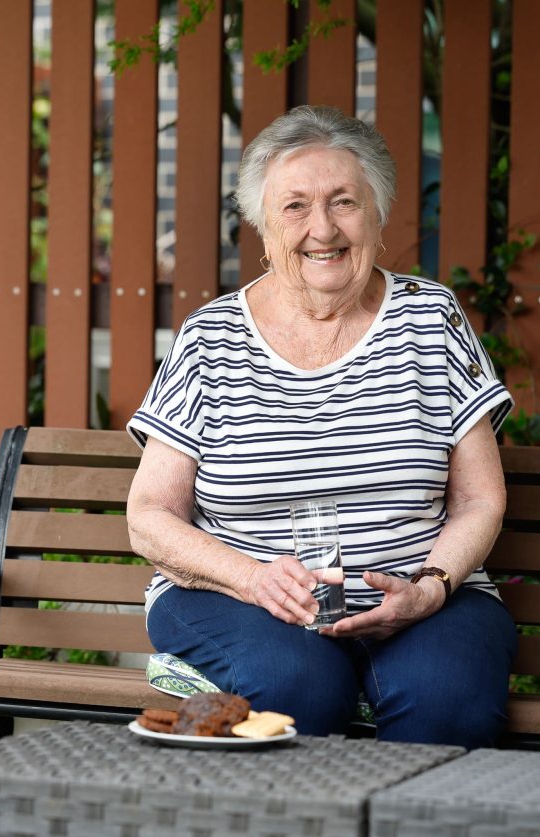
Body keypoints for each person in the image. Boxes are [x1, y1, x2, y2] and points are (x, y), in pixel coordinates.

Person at [126, 105, 517, 748]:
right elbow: (149, 514)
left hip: (423, 596)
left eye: (344, 202)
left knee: (448, 699)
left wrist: (430, 588)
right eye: (295, 207)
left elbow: (478, 497)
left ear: (378, 215)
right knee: (296, 685)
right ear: (261, 226)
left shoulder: (430, 320)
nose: (322, 229)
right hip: (237, 598)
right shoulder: (210, 338)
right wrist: (251, 579)